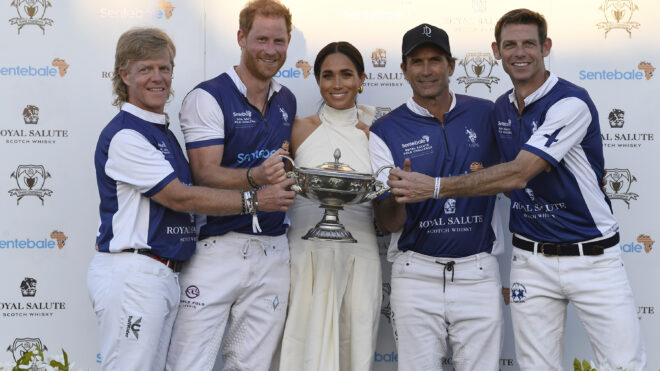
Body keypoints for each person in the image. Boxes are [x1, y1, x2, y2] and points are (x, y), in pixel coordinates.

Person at [387, 9, 646, 370]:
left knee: (623, 364)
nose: (519, 52)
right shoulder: (500, 111)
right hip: (531, 261)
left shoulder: (570, 102)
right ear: (496, 50)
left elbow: (519, 173)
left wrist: (434, 187)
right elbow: (499, 178)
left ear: (546, 47)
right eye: (510, 44)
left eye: (529, 43)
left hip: (593, 257)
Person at [88, 27, 295, 371]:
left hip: (163, 274)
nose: (158, 78)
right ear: (124, 75)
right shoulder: (126, 134)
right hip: (134, 273)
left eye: (164, 68)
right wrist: (255, 199)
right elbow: (180, 198)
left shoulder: (159, 131)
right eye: (145, 69)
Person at [164, 1, 297, 370]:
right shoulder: (208, 96)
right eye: (262, 39)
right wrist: (259, 181)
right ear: (241, 38)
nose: (270, 50)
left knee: (250, 366)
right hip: (216, 247)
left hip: (272, 250)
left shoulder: (286, 99)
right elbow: (205, 173)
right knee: (188, 363)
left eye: (279, 41)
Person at [368, 24, 504, 371]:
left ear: (452, 65)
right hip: (416, 274)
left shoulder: (486, 113)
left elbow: (517, 173)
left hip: (478, 270)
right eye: (417, 62)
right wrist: (398, 195)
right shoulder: (386, 130)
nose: (426, 70)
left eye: (435, 60)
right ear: (404, 70)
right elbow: (387, 224)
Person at [278, 41, 381, 371]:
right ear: (318, 80)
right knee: (299, 345)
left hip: (359, 253)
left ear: (361, 79)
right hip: (303, 252)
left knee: (354, 342)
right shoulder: (297, 130)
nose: (337, 84)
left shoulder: (375, 136)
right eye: (328, 75)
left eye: (346, 75)